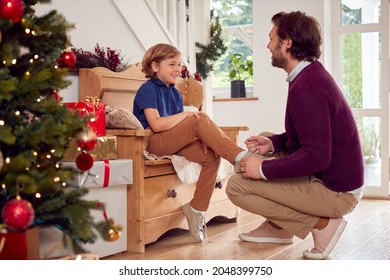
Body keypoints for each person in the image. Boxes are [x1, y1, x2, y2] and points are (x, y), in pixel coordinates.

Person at [226, 11, 364, 260]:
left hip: (336, 192)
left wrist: (263, 170)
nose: (268, 45)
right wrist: (273, 142)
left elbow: (317, 157)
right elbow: (306, 136)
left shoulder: (307, 88)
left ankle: (322, 224)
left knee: (236, 186)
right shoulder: (308, 74)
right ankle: (279, 228)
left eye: (271, 39)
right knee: (267, 139)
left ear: (287, 42)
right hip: (337, 180)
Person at [133, 43, 250, 243]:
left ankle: (196, 208)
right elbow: (157, 124)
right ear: (154, 66)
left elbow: (180, 126)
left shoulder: (175, 93)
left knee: (211, 157)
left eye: (178, 64)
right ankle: (240, 158)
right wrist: (190, 115)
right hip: (153, 141)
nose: (177, 69)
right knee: (197, 117)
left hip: (175, 141)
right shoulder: (148, 89)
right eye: (171, 64)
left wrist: (203, 137)